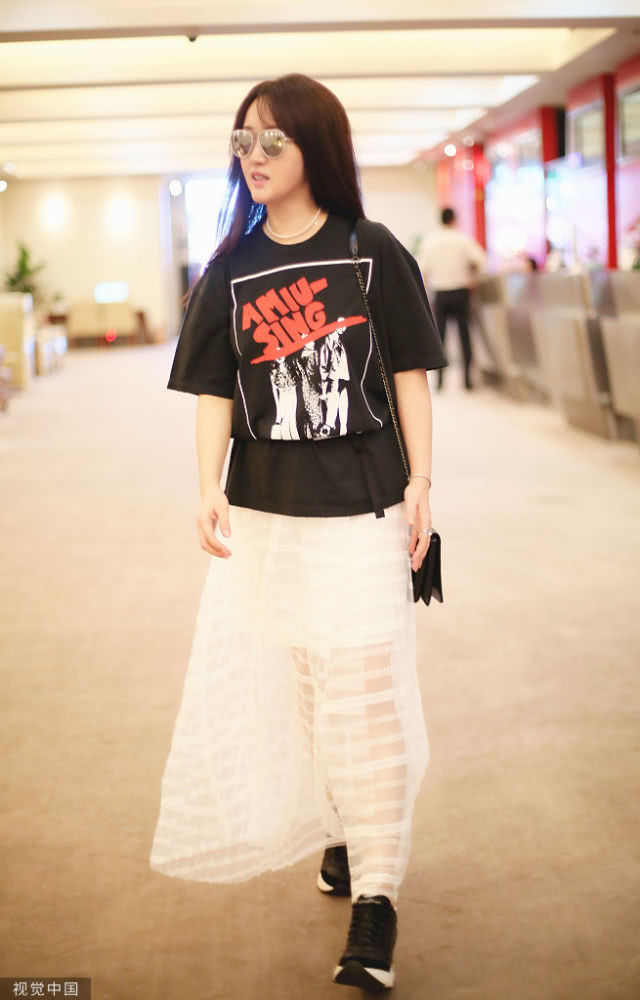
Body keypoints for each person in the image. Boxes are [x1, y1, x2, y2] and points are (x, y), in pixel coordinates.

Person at [149, 72, 448, 994]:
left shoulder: (368, 250)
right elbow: (213, 389)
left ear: (317, 145)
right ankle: (346, 829)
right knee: (314, 687)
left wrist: (422, 484)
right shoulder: (231, 268)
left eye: (273, 139)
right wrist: (206, 485)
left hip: (364, 505)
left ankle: (378, 900)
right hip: (270, 512)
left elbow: (409, 373)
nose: (256, 156)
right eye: (244, 141)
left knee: (365, 689)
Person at [418, 206, 487, 390]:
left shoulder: (431, 241)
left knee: (440, 338)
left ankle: (440, 381)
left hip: (440, 292)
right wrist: (472, 277)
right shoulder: (463, 239)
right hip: (461, 292)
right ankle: (467, 380)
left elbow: (422, 269)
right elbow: (480, 260)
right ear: (454, 219)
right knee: (465, 336)